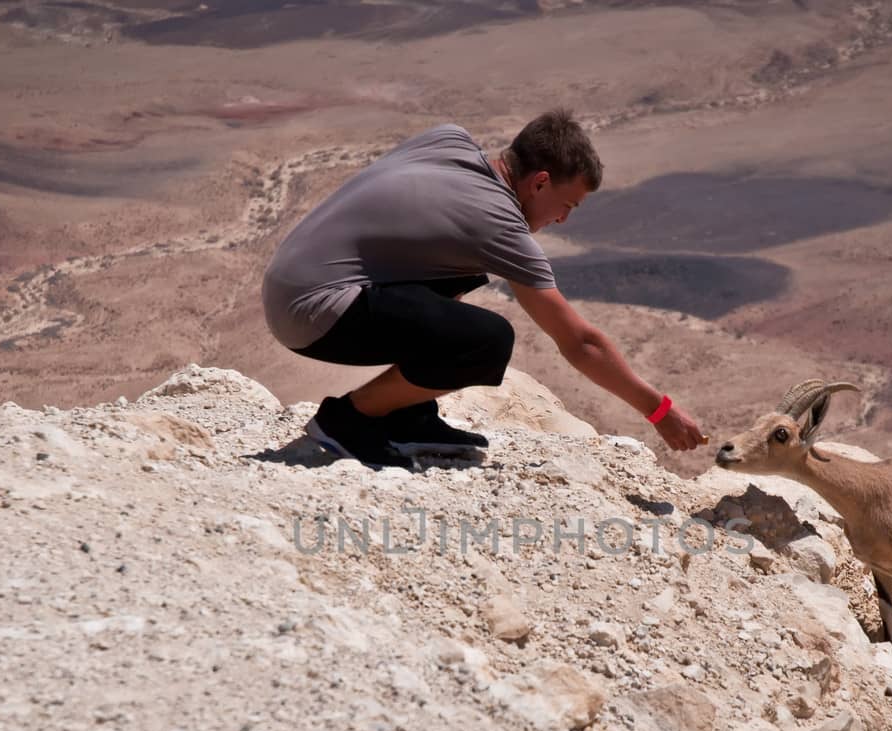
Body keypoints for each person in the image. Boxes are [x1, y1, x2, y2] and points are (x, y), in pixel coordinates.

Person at [261, 109, 706, 469]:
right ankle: (350, 421)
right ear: (540, 182)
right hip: (312, 313)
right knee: (487, 341)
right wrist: (659, 410)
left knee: (456, 266)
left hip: (294, 280)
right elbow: (579, 341)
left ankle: (407, 415)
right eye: (567, 205)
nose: (564, 219)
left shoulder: (450, 140)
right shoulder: (498, 224)